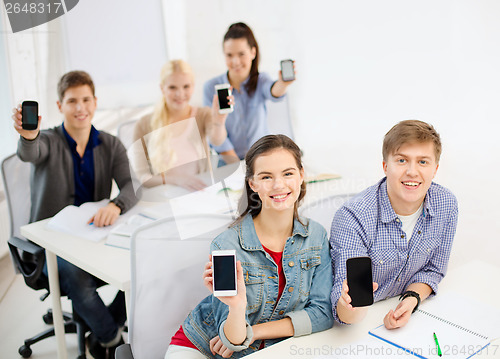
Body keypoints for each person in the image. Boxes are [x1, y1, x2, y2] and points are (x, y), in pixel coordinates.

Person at [165, 135, 334, 358]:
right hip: (203, 344)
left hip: (262, 347)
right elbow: (232, 342)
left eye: (288, 173)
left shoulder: (316, 236)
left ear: (301, 175)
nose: (278, 185)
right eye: (266, 177)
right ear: (252, 183)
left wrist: (254, 332)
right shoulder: (227, 245)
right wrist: (237, 306)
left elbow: (322, 314)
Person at [12, 70, 138, 358]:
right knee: (76, 277)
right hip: (51, 247)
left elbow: (132, 185)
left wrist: (115, 205)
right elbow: (30, 153)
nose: (80, 108)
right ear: (59, 106)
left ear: (95, 102)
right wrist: (28, 136)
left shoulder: (109, 144)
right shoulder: (48, 141)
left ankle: (106, 325)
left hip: (95, 237)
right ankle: (111, 338)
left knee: (140, 262)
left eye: (85, 100)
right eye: (72, 101)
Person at [330, 120, 458, 329]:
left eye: (423, 162)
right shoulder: (353, 217)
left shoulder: (446, 204)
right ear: (385, 166)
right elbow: (345, 311)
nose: (412, 172)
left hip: (411, 320)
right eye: (401, 160)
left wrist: (411, 300)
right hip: (359, 324)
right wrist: (350, 304)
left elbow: (432, 270)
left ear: (435, 169)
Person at [132, 59, 234, 190]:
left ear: (193, 86)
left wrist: (219, 121)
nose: (180, 94)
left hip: (199, 192)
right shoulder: (143, 124)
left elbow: (217, 141)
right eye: (172, 87)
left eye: (186, 87)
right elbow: (142, 177)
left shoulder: (202, 115)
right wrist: (176, 180)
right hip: (164, 197)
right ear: (162, 88)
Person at [204, 22, 296, 160]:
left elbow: (273, 91)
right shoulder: (211, 87)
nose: (235, 61)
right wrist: (237, 167)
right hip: (229, 162)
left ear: (253, 52)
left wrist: (283, 83)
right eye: (229, 55)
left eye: (241, 54)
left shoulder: (261, 80)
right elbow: (215, 138)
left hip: (262, 158)